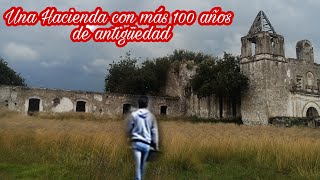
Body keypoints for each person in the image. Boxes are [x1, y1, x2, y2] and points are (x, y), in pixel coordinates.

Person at [127, 95, 159, 180]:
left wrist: (129, 138)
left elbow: (129, 128)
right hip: (146, 145)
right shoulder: (151, 116)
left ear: (138, 104)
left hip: (136, 143)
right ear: (147, 104)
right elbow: (154, 132)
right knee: (142, 166)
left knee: (137, 166)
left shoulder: (134, 115)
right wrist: (155, 145)